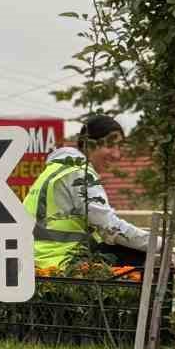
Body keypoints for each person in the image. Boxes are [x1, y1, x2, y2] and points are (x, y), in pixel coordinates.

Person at [23, 114, 151, 270]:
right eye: (110, 145)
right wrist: (159, 245)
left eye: (119, 147)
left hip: (34, 257)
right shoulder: (79, 173)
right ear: (89, 145)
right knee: (138, 255)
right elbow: (110, 227)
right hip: (60, 261)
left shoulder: (56, 169)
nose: (117, 154)